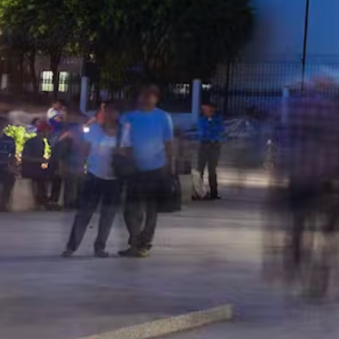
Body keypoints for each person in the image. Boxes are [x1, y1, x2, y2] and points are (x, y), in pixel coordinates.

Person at [119, 85, 178, 258]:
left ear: (156, 98)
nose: (146, 99)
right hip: (134, 169)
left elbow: (168, 143)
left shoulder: (163, 117)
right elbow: (124, 143)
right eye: (143, 95)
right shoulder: (128, 117)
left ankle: (144, 243)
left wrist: (170, 165)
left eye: (150, 96)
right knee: (131, 209)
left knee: (151, 209)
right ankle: (135, 242)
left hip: (156, 168)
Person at [63, 103, 125, 258]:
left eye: (113, 111)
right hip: (93, 175)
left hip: (114, 178)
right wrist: (81, 168)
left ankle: (100, 247)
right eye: (107, 111)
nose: (109, 115)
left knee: (108, 215)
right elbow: (85, 149)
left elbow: (129, 152)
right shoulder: (95, 129)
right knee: (84, 213)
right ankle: (72, 246)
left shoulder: (124, 132)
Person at [192, 101, 224, 202]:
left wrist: (211, 125)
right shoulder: (202, 120)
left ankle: (214, 192)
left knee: (212, 170)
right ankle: (198, 192)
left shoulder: (218, 119)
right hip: (204, 145)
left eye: (208, 109)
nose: (207, 111)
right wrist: (210, 128)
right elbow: (203, 132)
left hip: (214, 146)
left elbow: (220, 129)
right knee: (200, 169)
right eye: (205, 109)